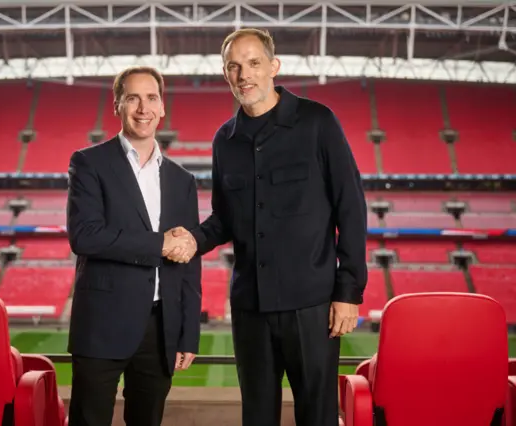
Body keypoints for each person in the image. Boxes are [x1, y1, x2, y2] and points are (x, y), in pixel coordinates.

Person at [168, 28, 368, 426]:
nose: (245, 74)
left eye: (254, 63)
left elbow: (352, 207)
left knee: (318, 415)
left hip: (312, 305)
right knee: (257, 416)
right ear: (226, 74)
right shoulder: (225, 140)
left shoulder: (317, 122)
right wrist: (193, 238)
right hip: (250, 309)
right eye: (234, 67)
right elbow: (224, 218)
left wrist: (348, 291)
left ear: (274, 66)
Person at [66, 65, 201, 426]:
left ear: (162, 108)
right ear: (117, 106)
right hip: (101, 323)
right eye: (133, 98)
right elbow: (85, 235)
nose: (143, 108)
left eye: (151, 98)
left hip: (159, 329)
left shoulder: (182, 180)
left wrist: (188, 332)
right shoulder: (88, 162)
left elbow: (188, 258)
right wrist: (159, 244)